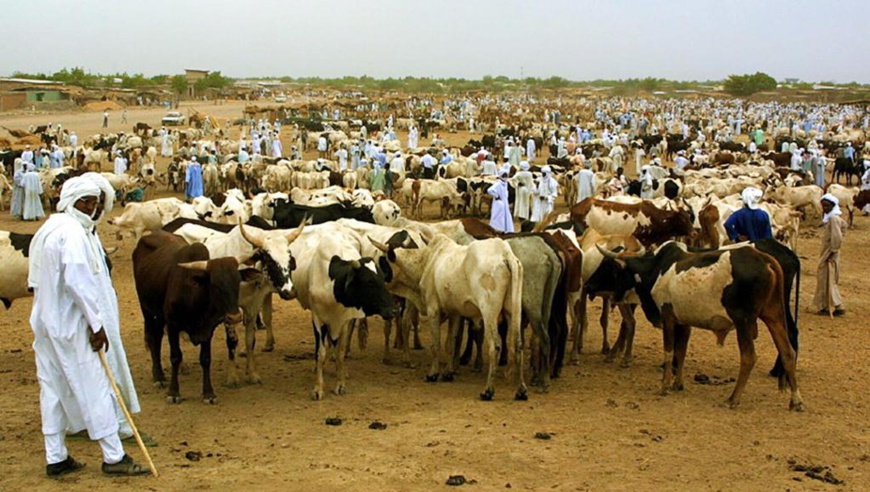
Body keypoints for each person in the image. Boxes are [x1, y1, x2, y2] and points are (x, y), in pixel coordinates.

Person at [28, 177, 149, 478]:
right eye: (85, 202)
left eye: (94, 202)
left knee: (53, 389)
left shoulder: (48, 228)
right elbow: (79, 284)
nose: (91, 207)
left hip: (45, 323)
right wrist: (97, 326)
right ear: (71, 201)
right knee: (95, 387)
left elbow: (33, 281)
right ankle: (114, 456)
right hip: (73, 326)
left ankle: (56, 457)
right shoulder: (73, 234)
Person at [812, 194, 847, 316]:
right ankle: (825, 305)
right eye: (823, 206)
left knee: (828, 278)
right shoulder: (833, 218)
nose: (825, 208)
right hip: (827, 252)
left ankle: (836, 305)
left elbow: (837, 238)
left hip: (830, 254)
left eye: (827, 206)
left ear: (833, 206)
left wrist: (832, 251)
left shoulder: (833, 219)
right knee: (824, 278)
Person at [487, 168, 514, 232]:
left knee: (505, 216)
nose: (505, 177)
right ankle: (498, 229)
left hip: (505, 203)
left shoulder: (506, 184)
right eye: (504, 175)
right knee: (498, 217)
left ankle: (506, 229)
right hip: (499, 203)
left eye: (506, 175)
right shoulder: (498, 184)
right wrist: (496, 196)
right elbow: (489, 190)